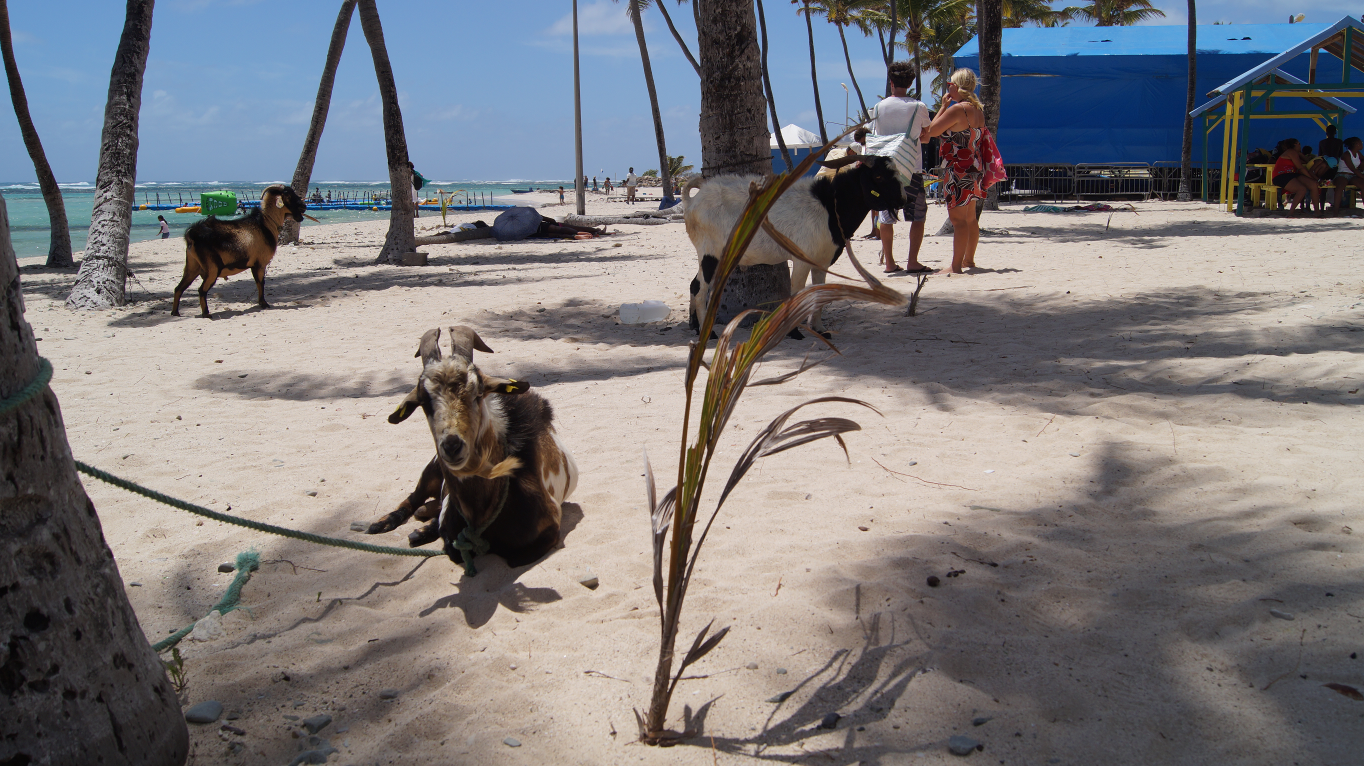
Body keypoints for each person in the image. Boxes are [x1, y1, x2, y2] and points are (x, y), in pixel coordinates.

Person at [868, 61, 933, 274]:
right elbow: (926, 137)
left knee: (886, 218)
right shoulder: (918, 107)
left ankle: (889, 263)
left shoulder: (878, 107)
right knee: (918, 216)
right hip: (911, 169)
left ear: (891, 82)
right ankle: (912, 261)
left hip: (886, 170)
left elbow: (874, 135)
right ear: (910, 83)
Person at [922, 68, 988, 273]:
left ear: (957, 86)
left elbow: (930, 132)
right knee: (970, 219)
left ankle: (956, 266)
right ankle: (969, 260)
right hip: (974, 168)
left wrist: (943, 107)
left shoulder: (957, 109)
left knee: (958, 220)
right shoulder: (977, 110)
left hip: (958, 169)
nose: (948, 87)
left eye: (950, 84)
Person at [1272, 138, 1323, 215]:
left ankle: (1317, 212)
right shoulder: (1291, 152)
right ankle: (1290, 213)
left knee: (1313, 184)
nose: (1300, 146)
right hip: (1281, 175)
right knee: (1302, 189)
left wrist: (1300, 153)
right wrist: (1311, 177)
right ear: (1295, 144)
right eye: (1299, 144)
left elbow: (1307, 161)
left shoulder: (1295, 153)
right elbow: (1300, 168)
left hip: (1292, 174)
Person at [1333, 136, 1364, 211]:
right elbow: (1353, 169)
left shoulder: (1358, 153)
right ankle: (1335, 210)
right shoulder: (1346, 154)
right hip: (1342, 175)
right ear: (1356, 144)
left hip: (1352, 176)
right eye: (1361, 142)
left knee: (1363, 185)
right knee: (1340, 186)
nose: (1362, 144)